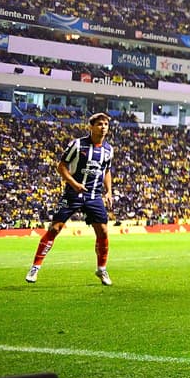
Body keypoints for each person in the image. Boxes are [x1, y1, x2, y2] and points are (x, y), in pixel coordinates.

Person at [26, 112, 116, 286]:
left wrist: (109, 191)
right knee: (55, 228)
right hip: (72, 194)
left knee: (103, 231)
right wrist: (74, 184)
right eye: (99, 124)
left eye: (105, 124)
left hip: (94, 196)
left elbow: (107, 171)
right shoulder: (77, 144)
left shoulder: (108, 150)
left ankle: (101, 269)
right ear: (91, 126)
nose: (103, 127)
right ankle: (35, 267)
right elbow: (61, 167)